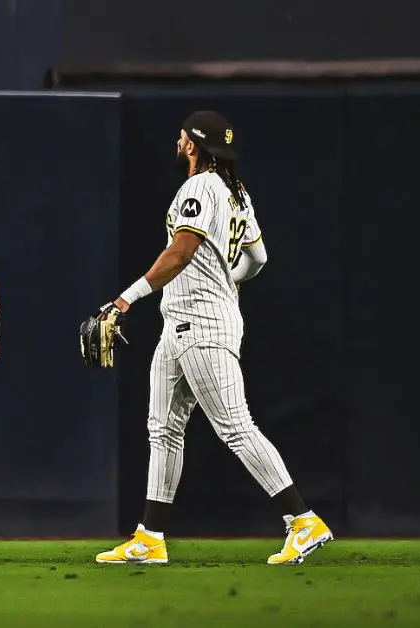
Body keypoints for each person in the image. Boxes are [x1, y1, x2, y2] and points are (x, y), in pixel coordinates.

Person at [92, 112, 333, 566]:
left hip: (200, 323)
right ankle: (150, 536)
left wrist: (124, 300)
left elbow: (179, 251)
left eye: (183, 134)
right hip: (183, 322)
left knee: (235, 426)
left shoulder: (200, 187)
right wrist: (230, 280)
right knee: (163, 431)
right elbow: (258, 258)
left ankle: (302, 520)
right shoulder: (236, 192)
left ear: (192, 145)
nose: (178, 138)